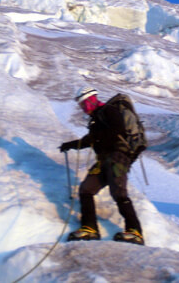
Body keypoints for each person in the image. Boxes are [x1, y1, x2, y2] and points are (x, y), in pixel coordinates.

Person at [59, 87, 144, 245]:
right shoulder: (96, 118)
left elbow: (117, 131)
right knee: (86, 189)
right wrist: (70, 145)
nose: (83, 107)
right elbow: (89, 140)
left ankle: (135, 231)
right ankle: (90, 228)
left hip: (117, 158)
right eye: (81, 105)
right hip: (104, 160)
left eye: (84, 103)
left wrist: (95, 136)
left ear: (92, 99)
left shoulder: (109, 111)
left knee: (119, 192)